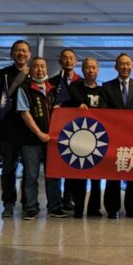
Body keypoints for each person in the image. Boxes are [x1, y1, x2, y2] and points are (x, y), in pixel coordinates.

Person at [100, 53, 133, 218]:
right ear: (116, 67)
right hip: (113, 137)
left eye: (128, 64)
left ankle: (131, 208)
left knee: (132, 171)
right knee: (112, 173)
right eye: (122, 64)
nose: (125, 67)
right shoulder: (106, 87)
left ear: (132, 66)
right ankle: (112, 209)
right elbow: (103, 111)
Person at [17, 57, 66, 219]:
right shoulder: (24, 88)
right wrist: (39, 133)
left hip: (52, 141)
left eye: (43, 67)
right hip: (31, 139)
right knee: (31, 174)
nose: (40, 70)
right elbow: (24, 113)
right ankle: (31, 207)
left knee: (53, 174)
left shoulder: (54, 89)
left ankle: (54, 206)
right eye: (36, 67)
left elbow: (63, 112)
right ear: (30, 70)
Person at [0, 39, 31, 218]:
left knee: (30, 169)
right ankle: (8, 203)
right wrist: (3, 103)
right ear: (12, 54)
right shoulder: (2, 74)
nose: (21, 54)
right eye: (17, 51)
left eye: (24, 51)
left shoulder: (34, 75)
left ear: (29, 54)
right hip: (8, 130)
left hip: (30, 131)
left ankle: (28, 203)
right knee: (8, 168)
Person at [68, 57, 105, 217]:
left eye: (94, 68)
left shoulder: (103, 90)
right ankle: (78, 208)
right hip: (79, 137)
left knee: (97, 177)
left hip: (98, 137)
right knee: (79, 176)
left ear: (98, 70)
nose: (91, 71)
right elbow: (65, 107)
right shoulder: (74, 88)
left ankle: (94, 209)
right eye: (87, 68)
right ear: (82, 70)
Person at [49, 48, 81, 211]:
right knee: (56, 165)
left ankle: (69, 198)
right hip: (56, 130)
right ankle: (55, 200)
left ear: (76, 62)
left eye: (71, 58)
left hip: (76, 130)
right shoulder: (52, 82)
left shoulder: (81, 82)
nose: (68, 61)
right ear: (60, 62)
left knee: (72, 165)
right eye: (65, 58)